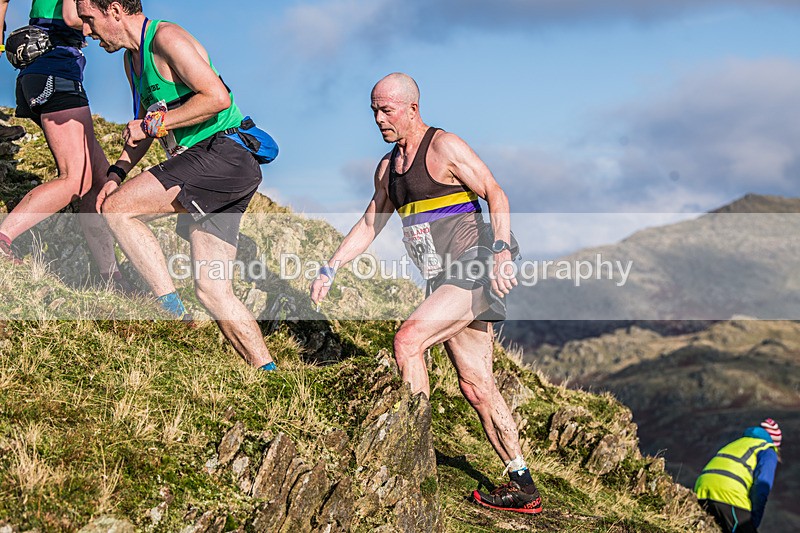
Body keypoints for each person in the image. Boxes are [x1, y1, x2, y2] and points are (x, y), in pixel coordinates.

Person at [310, 72, 542, 514]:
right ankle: (522, 483)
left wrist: (500, 252)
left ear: (412, 108)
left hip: (473, 268)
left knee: (408, 340)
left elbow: (496, 192)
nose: (379, 119)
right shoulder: (387, 170)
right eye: (374, 110)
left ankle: (413, 463)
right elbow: (368, 224)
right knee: (476, 385)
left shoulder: (444, 147)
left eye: (387, 109)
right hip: (444, 282)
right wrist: (330, 267)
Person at [75, 0, 276, 370]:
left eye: (89, 19)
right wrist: (116, 174)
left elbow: (217, 98)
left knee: (119, 210)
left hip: (222, 153)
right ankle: (268, 372)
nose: (86, 30)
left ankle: (168, 310)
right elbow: (144, 127)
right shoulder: (131, 60)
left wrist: (154, 125)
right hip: (221, 169)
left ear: (115, 10)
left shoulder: (166, 39)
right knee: (213, 291)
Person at [0, 0, 126, 291]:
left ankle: (110, 276)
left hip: (44, 70)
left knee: (99, 177)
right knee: (75, 180)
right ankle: (4, 237)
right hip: (57, 70)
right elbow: (72, 16)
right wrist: (109, 27)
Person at [695, 418, 782, 533]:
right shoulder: (768, 450)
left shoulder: (737, 443)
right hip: (728, 495)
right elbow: (761, 487)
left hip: (701, 492)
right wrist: (754, 520)